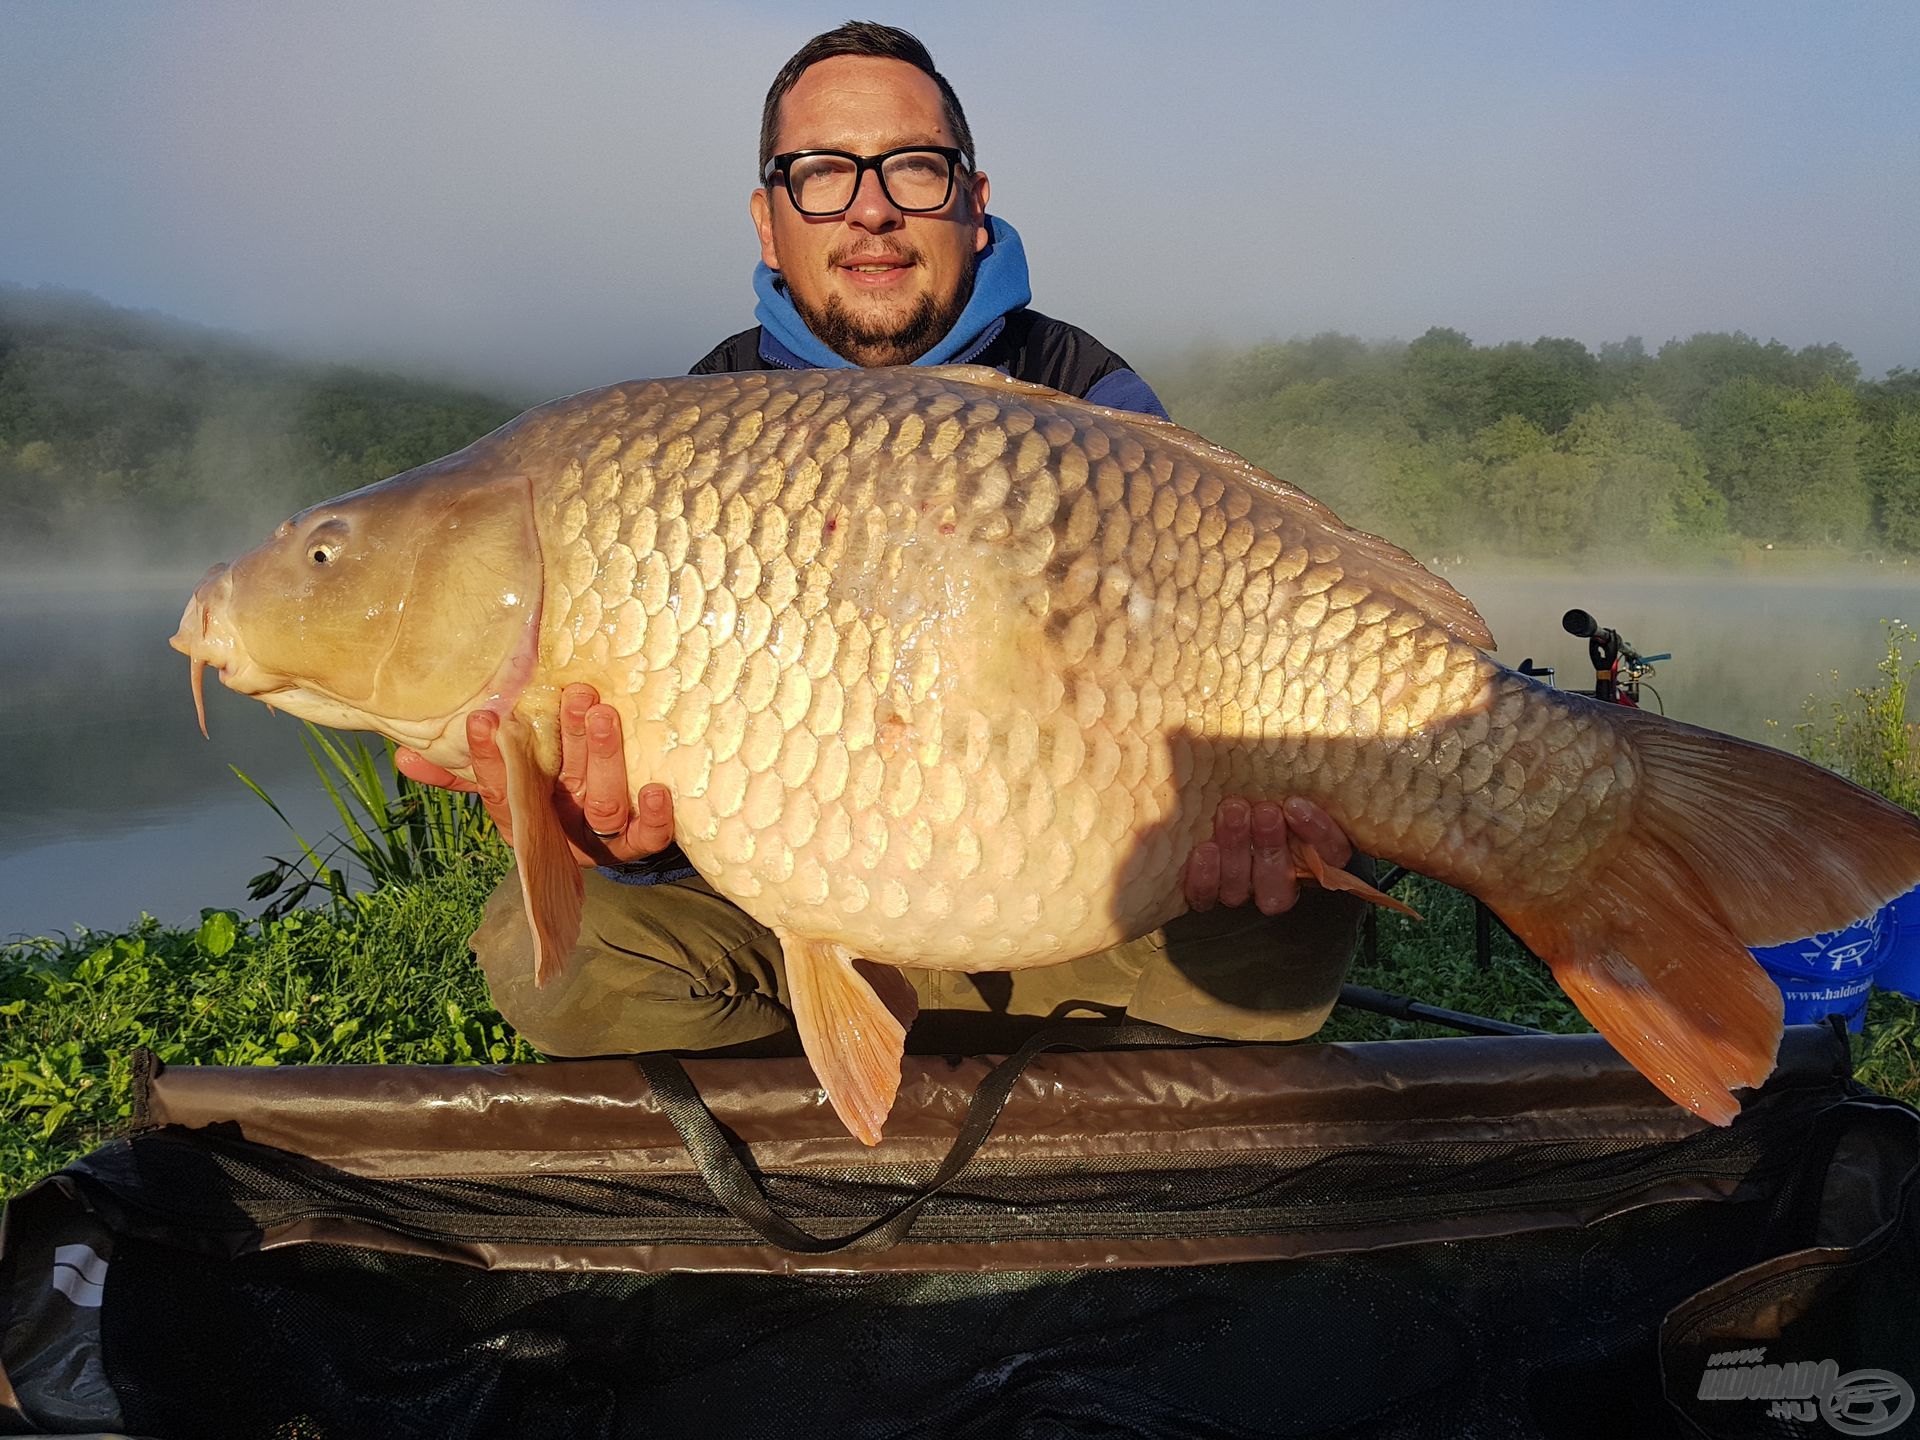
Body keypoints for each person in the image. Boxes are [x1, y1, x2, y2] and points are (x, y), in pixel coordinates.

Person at [397, 22, 1366, 1060]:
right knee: (549, 951)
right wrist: (624, 848)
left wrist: (1252, 815)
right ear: (769, 224)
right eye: (821, 172)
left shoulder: (1085, 395)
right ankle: (907, 1132)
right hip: (788, 911)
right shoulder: (693, 427)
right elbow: (675, 800)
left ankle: (1028, 1127)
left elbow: (1220, 633)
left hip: (1067, 907)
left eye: (913, 166)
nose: (871, 207)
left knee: (1289, 924)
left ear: (974, 204)